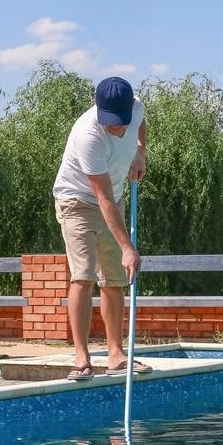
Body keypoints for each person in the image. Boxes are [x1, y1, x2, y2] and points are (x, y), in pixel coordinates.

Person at [53, 76, 153, 381]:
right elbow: (103, 198)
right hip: (78, 202)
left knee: (113, 280)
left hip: (115, 200)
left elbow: (141, 125)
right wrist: (128, 247)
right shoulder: (88, 135)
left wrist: (139, 151)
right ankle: (82, 358)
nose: (117, 128)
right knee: (83, 276)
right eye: (111, 122)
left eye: (120, 122)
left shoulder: (135, 110)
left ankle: (116, 355)